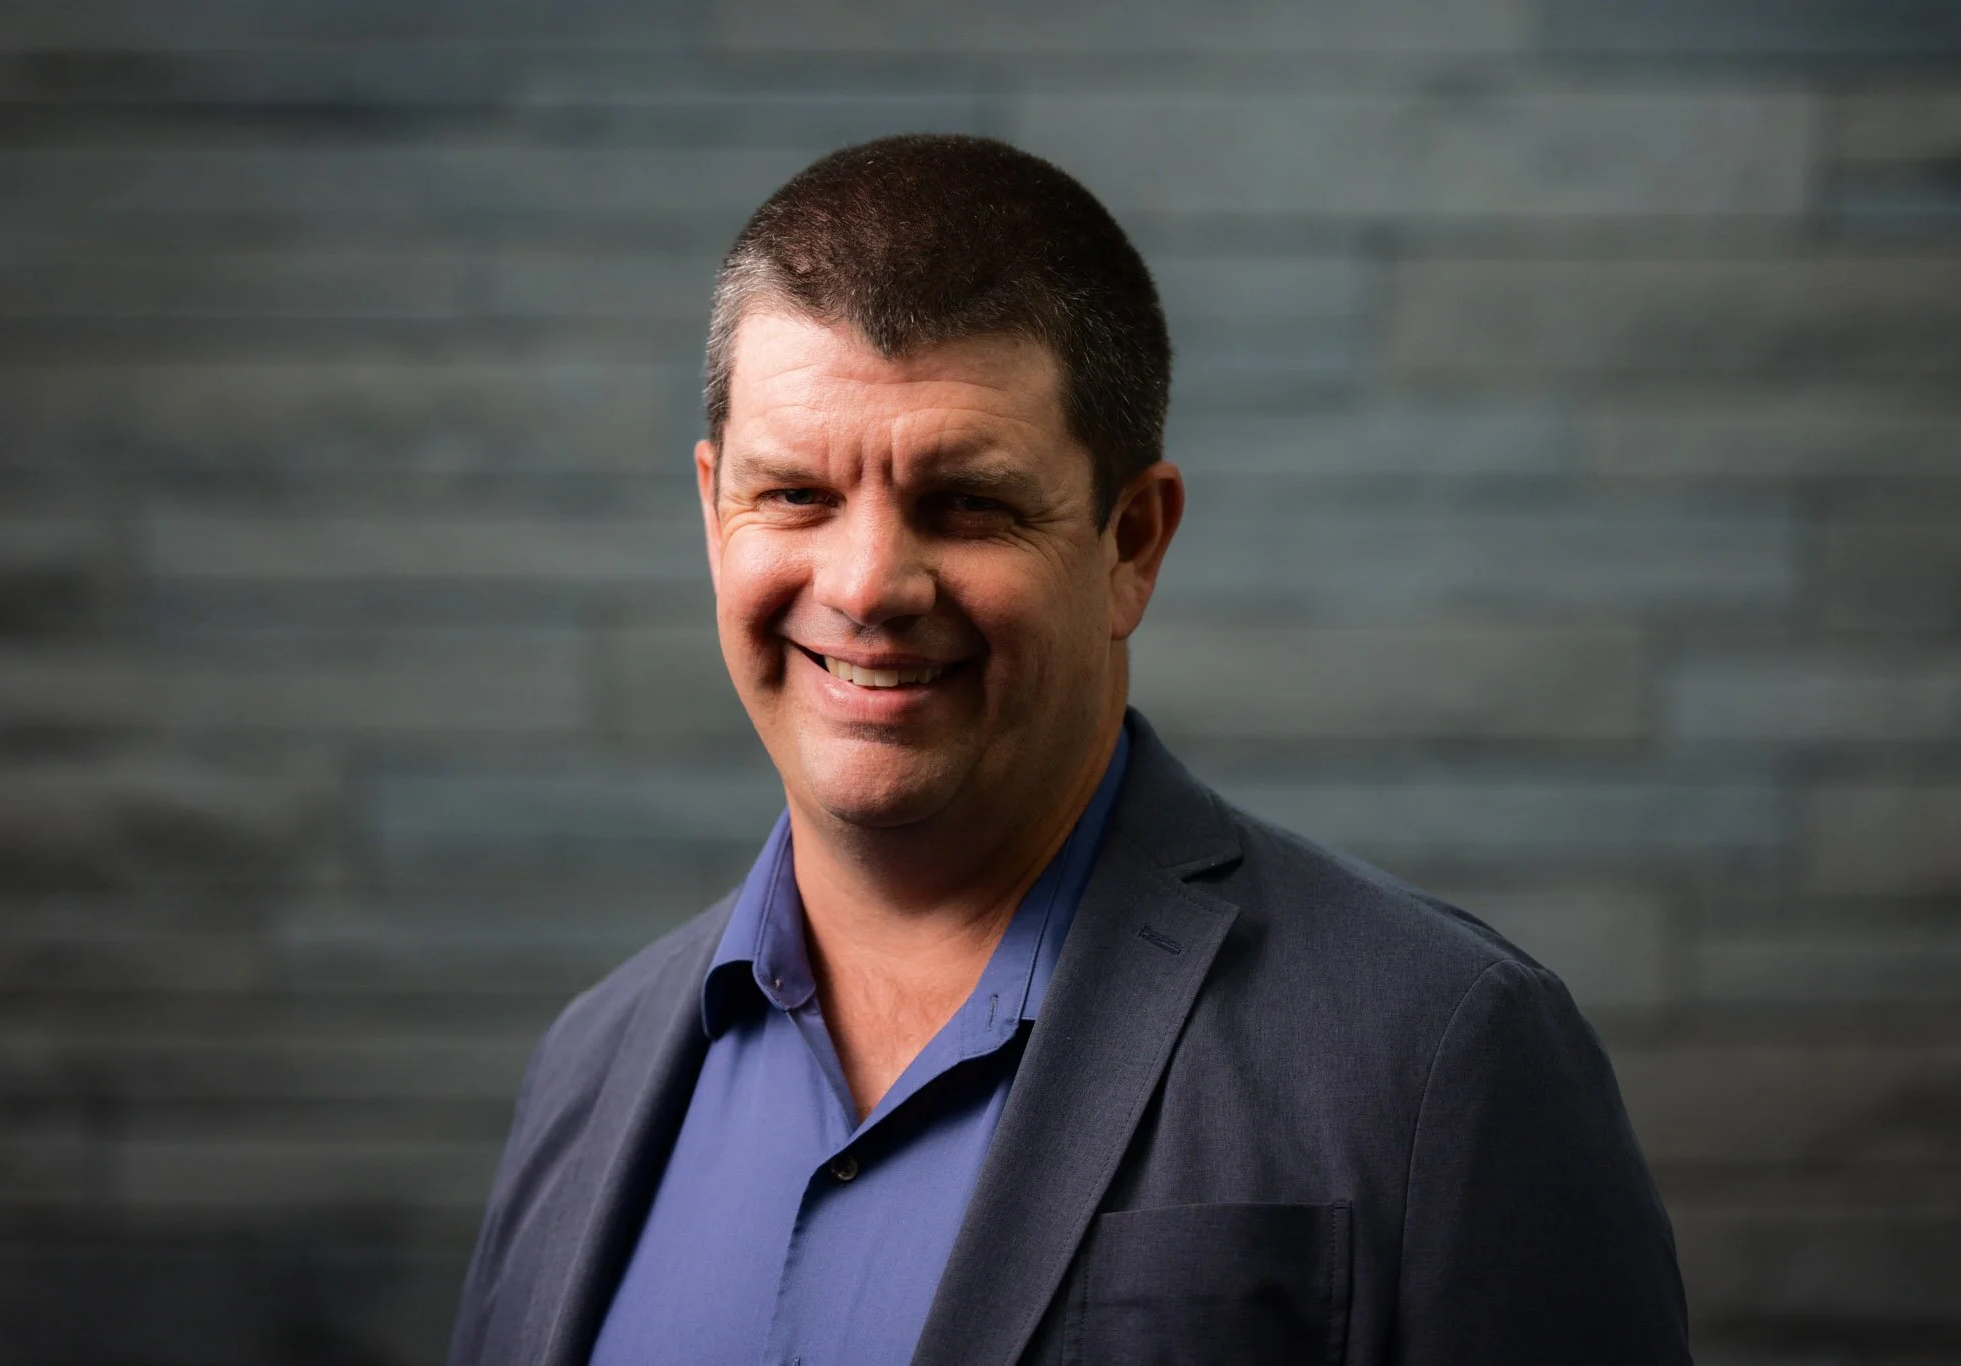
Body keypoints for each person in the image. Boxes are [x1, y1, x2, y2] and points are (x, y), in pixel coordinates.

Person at [447, 133, 1690, 1366]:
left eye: (968, 503)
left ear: (1131, 543)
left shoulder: (1438, 1053)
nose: (868, 584)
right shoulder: (589, 1071)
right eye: (795, 496)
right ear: (714, 512)